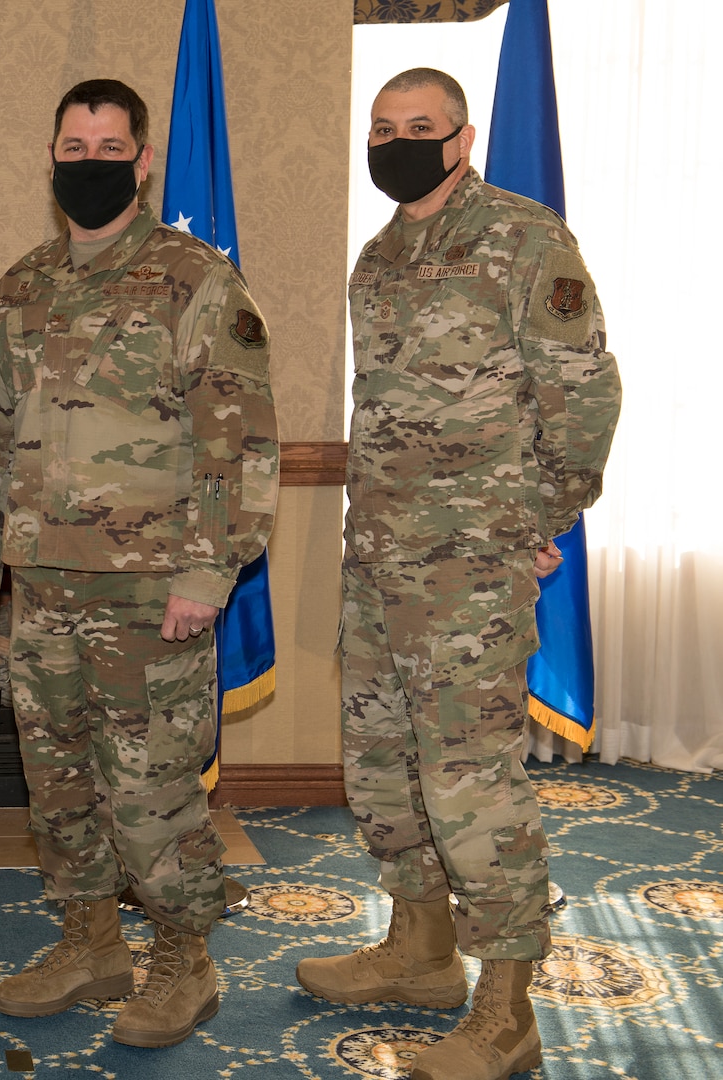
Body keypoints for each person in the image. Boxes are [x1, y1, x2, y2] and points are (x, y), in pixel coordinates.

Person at [295, 69, 620, 1080]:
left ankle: (507, 1008)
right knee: (386, 767)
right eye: (382, 128)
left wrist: (536, 514)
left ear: (463, 138)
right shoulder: (377, 259)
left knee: (473, 784)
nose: (397, 143)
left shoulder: (526, 242)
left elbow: (585, 392)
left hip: (471, 573)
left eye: (419, 128)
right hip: (381, 563)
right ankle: (420, 951)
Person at [0, 79, 279, 1049]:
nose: (88, 161)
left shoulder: (198, 281)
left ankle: (188, 962)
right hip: (43, 589)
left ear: (142, 162)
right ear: (50, 157)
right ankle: (90, 942)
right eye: (72, 144)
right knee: (57, 786)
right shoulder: (24, 284)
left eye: (109, 146)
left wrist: (205, 575)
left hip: (152, 595)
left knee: (150, 793)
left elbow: (242, 447)